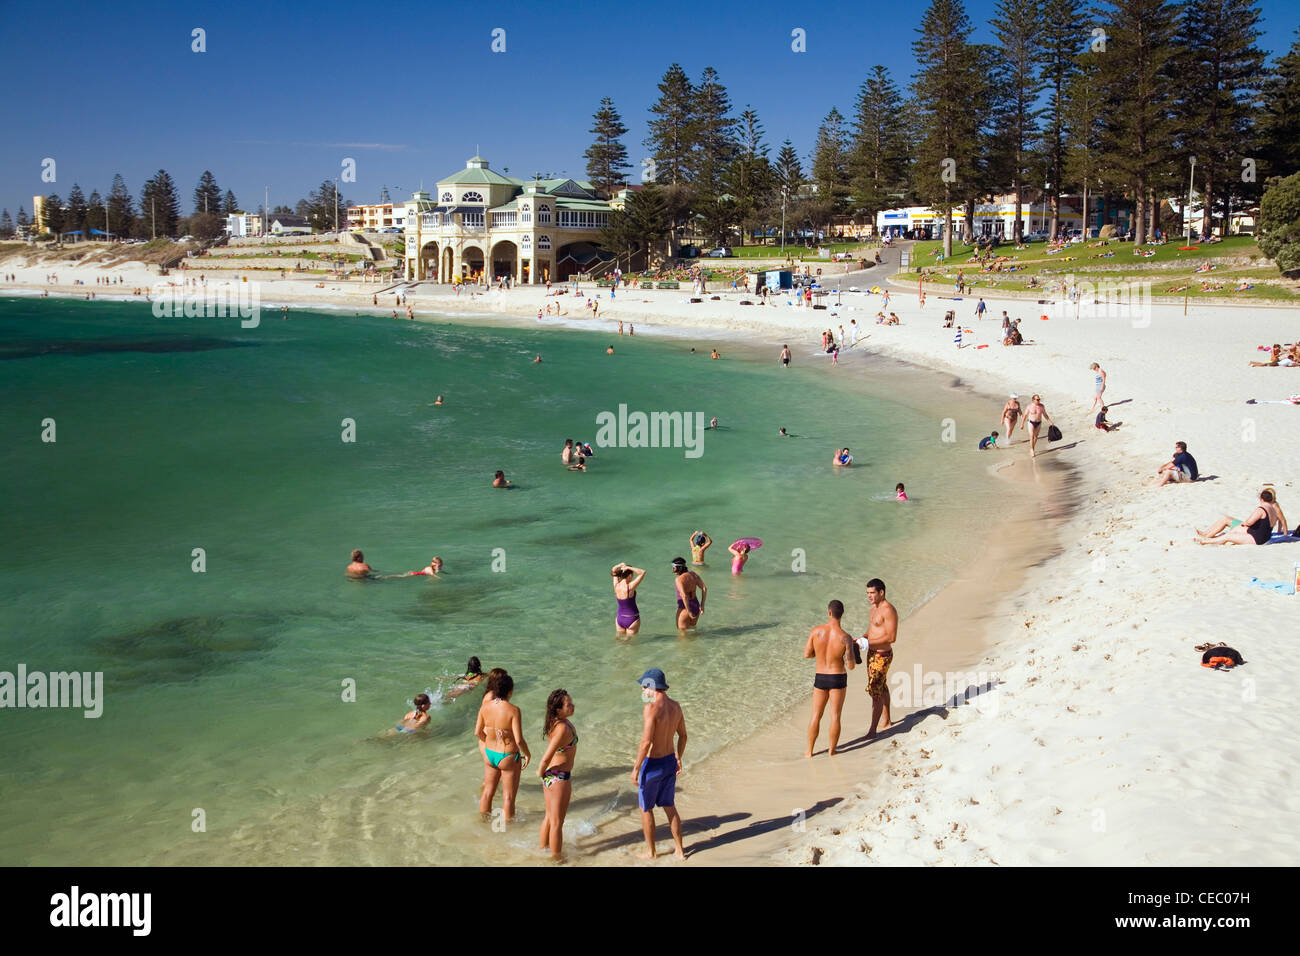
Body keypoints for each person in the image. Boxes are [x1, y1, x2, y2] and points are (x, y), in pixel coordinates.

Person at [631, 668, 687, 860]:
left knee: (646, 809)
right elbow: (683, 735)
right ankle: (680, 850)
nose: (643, 692)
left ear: (652, 686)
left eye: (644, 687)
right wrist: (679, 756)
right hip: (670, 761)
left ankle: (651, 852)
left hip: (652, 764)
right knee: (669, 806)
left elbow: (646, 742)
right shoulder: (676, 706)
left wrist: (636, 768)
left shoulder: (651, 708)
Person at [475, 673, 530, 821]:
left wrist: (489, 743)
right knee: (508, 797)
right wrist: (528, 754)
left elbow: (477, 732)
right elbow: (518, 740)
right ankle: (506, 831)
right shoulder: (513, 710)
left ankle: (483, 822)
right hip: (508, 756)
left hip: (490, 753)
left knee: (487, 792)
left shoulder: (485, 706)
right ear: (510, 691)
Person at [805, 600, 856, 756]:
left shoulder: (816, 631)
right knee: (835, 716)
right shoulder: (845, 638)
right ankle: (832, 751)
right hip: (837, 678)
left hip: (820, 677)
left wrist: (819, 655)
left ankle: (809, 752)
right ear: (842, 614)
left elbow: (807, 654)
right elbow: (851, 665)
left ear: (829, 612)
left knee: (815, 715)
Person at [537, 689, 578, 861]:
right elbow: (547, 755)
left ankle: (544, 849)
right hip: (559, 776)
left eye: (571, 702)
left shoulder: (556, 722)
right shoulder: (561, 728)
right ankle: (556, 859)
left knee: (549, 817)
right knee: (557, 823)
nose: (572, 705)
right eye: (568, 704)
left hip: (552, 775)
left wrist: (545, 774)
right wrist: (540, 771)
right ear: (558, 709)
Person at [862, 578, 898, 738]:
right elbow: (872, 629)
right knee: (881, 686)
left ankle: (872, 731)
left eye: (872, 593)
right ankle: (887, 720)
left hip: (882, 655)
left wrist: (868, 643)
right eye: (867, 593)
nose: (869, 596)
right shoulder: (873, 607)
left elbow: (891, 637)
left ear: (881, 592)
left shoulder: (888, 610)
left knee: (875, 691)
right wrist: (862, 639)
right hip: (871, 654)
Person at [1196, 489, 1287, 545]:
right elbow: (1278, 522)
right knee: (1234, 530)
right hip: (1264, 537)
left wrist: (1245, 523)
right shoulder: (1274, 510)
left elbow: (1249, 522)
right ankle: (1207, 537)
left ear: (1261, 499)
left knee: (1228, 536)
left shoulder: (1261, 509)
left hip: (1257, 539)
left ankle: (1205, 541)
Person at [670, 557, 706, 632]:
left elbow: (684, 595)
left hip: (684, 608)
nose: (673, 570)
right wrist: (702, 605)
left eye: (674, 567)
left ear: (679, 568)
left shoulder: (679, 579)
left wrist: (688, 611)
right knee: (692, 631)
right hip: (696, 606)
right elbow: (704, 588)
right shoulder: (693, 574)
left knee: (682, 635)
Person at [612, 562, 646, 637]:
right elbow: (642, 572)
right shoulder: (630, 587)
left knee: (619, 642)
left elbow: (613, 570)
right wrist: (628, 567)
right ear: (630, 575)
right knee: (631, 645)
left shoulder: (616, 585)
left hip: (619, 619)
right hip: (632, 619)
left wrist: (619, 565)